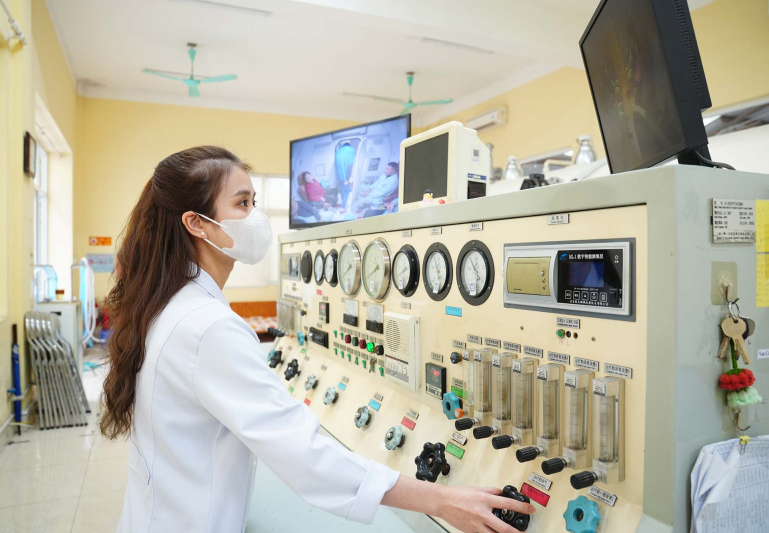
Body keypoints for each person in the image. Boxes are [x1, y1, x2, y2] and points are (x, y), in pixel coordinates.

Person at [101, 146, 535, 533]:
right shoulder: (207, 327)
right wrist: (443, 501)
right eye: (242, 203)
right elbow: (303, 455)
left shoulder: (171, 305)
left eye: (255, 202)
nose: (256, 217)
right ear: (197, 223)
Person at [334, 140, 355, 208]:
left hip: (339, 176)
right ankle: (343, 208)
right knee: (346, 191)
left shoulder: (338, 151)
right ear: (349, 145)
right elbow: (350, 165)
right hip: (345, 177)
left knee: (342, 190)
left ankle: (343, 202)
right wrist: (348, 177)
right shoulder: (351, 150)